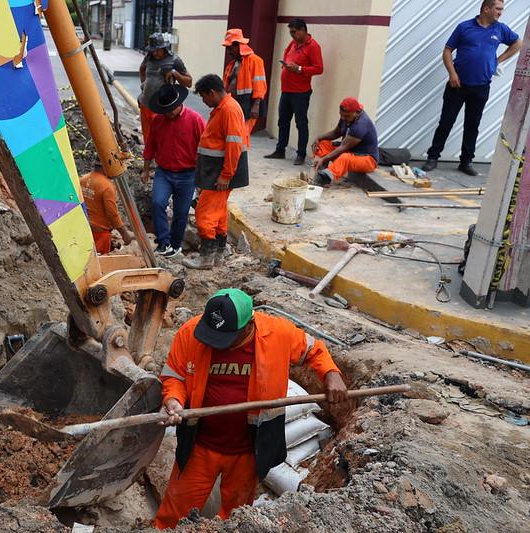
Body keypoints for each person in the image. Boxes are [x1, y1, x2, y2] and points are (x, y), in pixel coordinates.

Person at [153, 288, 348, 529]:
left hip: (247, 451)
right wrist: (173, 399)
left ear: (248, 326)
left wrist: (331, 373)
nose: (216, 344)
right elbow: (175, 376)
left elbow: (313, 349)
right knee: (175, 511)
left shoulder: (277, 333)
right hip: (199, 446)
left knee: (237, 516)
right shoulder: (191, 332)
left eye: (225, 339)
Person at [422, 0, 522, 176]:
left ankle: (466, 162)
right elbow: (447, 51)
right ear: (486, 8)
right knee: (446, 122)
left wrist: (497, 61)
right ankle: (433, 157)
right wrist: (452, 74)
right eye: (498, 9)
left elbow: (518, 43)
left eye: (502, 9)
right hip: (457, 85)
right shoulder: (464, 27)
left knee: (472, 125)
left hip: (481, 86)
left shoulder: (501, 29)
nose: (500, 13)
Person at [184, 74, 249, 270]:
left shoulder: (228, 110)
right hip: (216, 169)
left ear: (212, 92)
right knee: (218, 213)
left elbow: (234, 145)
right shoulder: (224, 108)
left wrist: (226, 175)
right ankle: (218, 256)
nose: (203, 101)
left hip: (219, 172)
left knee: (205, 213)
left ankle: (206, 259)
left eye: (204, 97)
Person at [142, 84, 206, 259]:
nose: (169, 113)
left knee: (181, 212)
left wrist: (202, 178)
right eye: (165, 110)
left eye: (171, 109)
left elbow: (204, 149)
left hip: (188, 174)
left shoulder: (195, 120)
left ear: (179, 103)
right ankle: (163, 243)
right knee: (157, 203)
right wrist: (146, 170)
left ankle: (176, 245)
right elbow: (150, 146)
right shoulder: (158, 120)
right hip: (164, 172)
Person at [266, 18, 324, 166]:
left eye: (294, 32)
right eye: (290, 32)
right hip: (286, 90)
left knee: (301, 123)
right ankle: (280, 150)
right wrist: (286, 66)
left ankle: (301, 154)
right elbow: (286, 54)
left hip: (301, 92)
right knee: (283, 121)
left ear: (303, 30)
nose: (292, 35)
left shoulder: (313, 46)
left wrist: (299, 69)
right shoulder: (293, 43)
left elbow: (319, 68)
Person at [139, 33, 193, 145]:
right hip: (145, 104)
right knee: (147, 138)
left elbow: (189, 82)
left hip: (162, 107)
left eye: (157, 50)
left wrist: (175, 73)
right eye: (152, 50)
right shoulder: (149, 57)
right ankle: (149, 160)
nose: (155, 53)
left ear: (164, 47)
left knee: (162, 139)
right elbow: (142, 69)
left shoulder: (174, 60)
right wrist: (143, 85)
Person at [311, 97, 379, 186]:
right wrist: (318, 138)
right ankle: (323, 168)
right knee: (322, 143)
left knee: (345, 158)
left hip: (367, 160)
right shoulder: (345, 116)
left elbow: (343, 147)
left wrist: (324, 158)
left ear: (357, 112)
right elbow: (336, 133)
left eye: (346, 116)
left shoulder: (361, 125)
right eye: (341, 115)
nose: (343, 118)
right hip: (350, 152)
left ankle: (324, 178)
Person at [80, 160, 133, 254]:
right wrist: (124, 234)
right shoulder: (107, 186)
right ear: (108, 166)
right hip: (100, 234)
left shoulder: (83, 179)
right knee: (101, 263)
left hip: (84, 229)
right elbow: (112, 214)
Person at [221, 28, 267, 135]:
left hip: (248, 104)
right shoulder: (232, 64)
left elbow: (259, 84)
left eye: (230, 48)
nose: (228, 52)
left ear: (238, 45)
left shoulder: (255, 61)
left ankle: (242, 152)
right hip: (234, 105)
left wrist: (256, 105)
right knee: (234, 134)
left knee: (242, 136)